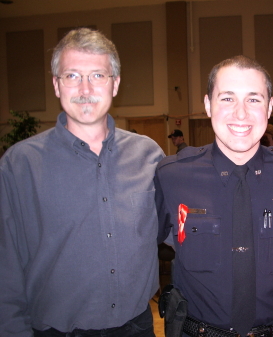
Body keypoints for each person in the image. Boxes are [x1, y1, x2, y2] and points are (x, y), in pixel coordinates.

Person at [0, 28, 165, 337]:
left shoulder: (149, 155)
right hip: (56, 330)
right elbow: (5, 268)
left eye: (98, 76)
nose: (86, 88)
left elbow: (182, 230)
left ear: (115, 84)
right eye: (72, 75)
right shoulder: (20, 165)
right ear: (56, 85)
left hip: (137, 327)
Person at [155, 55, 273, 337]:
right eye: (227, 98)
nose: (241, 114)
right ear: (208, 105)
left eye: (254, 100)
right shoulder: (171, 177)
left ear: (269, 107)